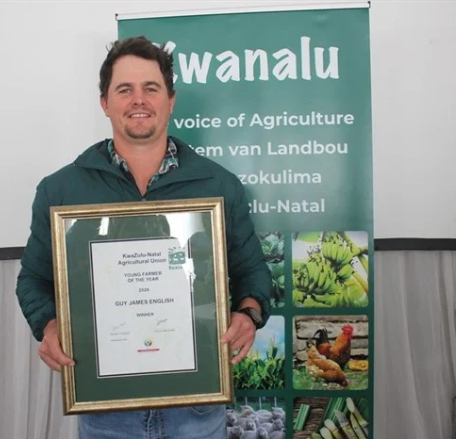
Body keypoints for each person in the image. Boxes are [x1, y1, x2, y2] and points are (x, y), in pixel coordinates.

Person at [16, 35, 271, 439]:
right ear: (105, 103)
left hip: (196, 409)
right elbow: (32, 278)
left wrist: (250, 313)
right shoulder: (61, 190)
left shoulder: (219, 185)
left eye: (151, 88)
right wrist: (47, 326)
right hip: (106, 412)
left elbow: (253, 272)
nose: (139, 100)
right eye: (124, 89)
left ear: (171, 100)